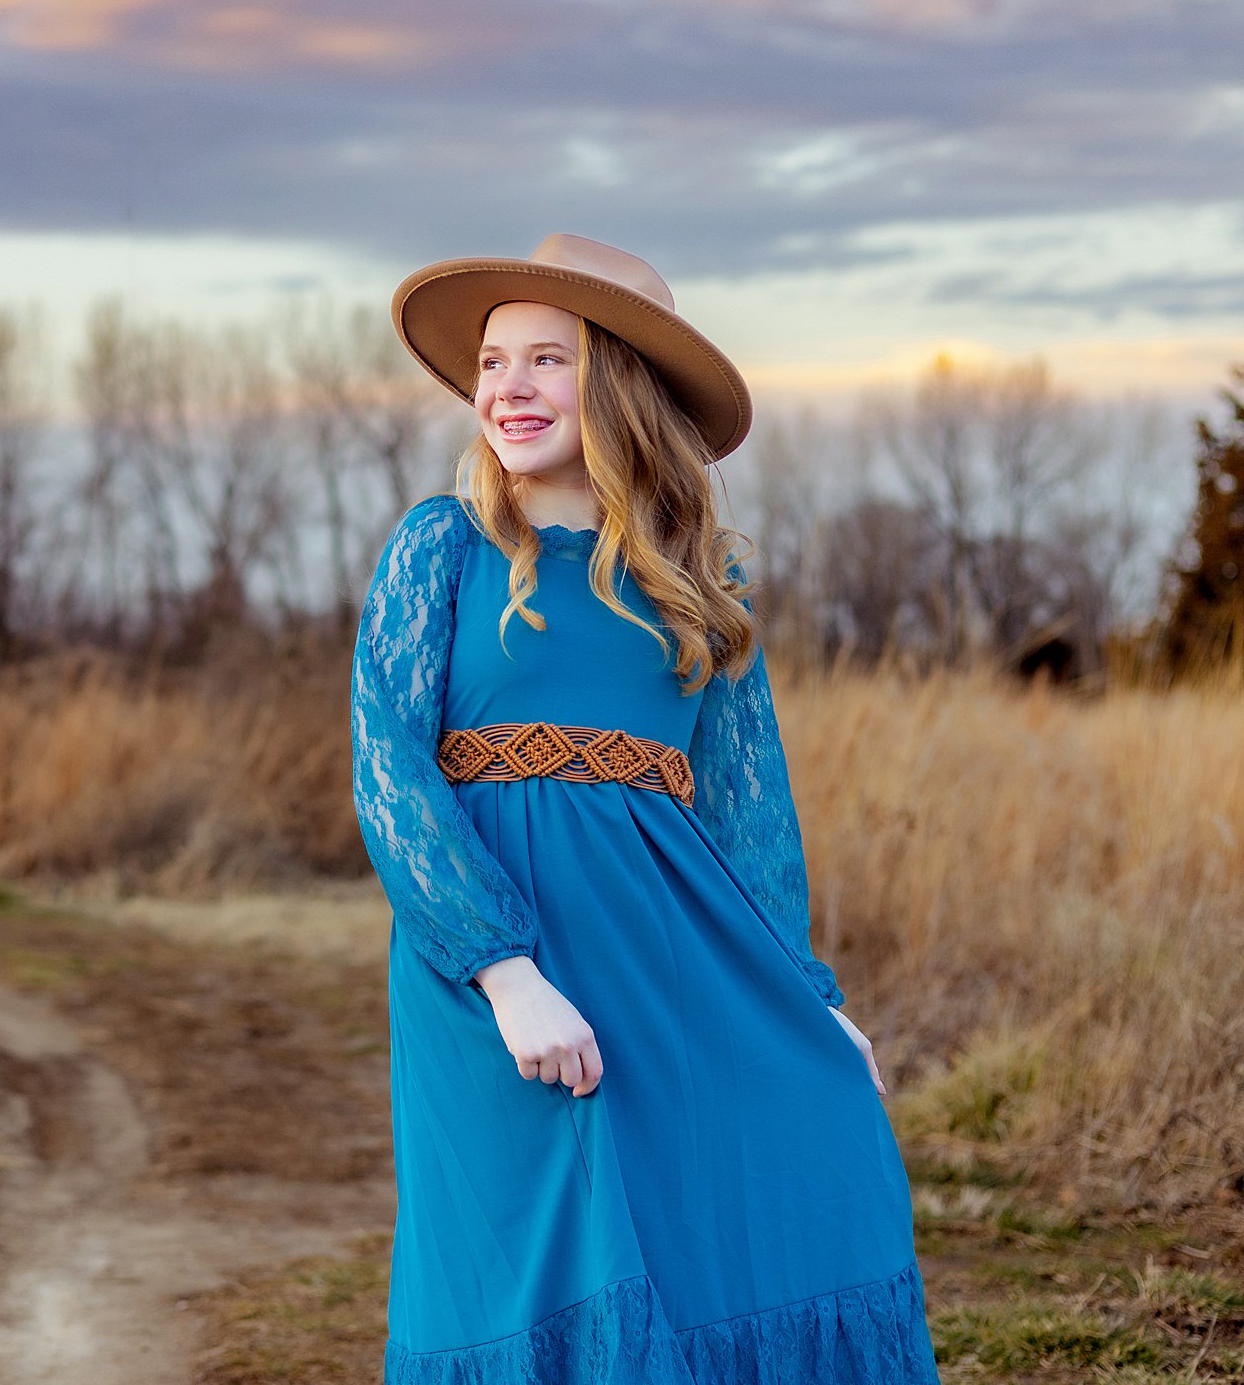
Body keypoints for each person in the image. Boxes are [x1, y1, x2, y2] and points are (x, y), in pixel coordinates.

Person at [351, 233, 942, 1383]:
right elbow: (388, 768)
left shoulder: (699, 585)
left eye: (546, 359)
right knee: (523, 1253)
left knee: (749, 1205)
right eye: (489, 361)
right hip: (493, 975)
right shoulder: (444, 549)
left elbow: (748, 821)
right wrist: (502, 968)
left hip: (673, 960)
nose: (505, 388)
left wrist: (806, 996)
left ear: (618, 381)